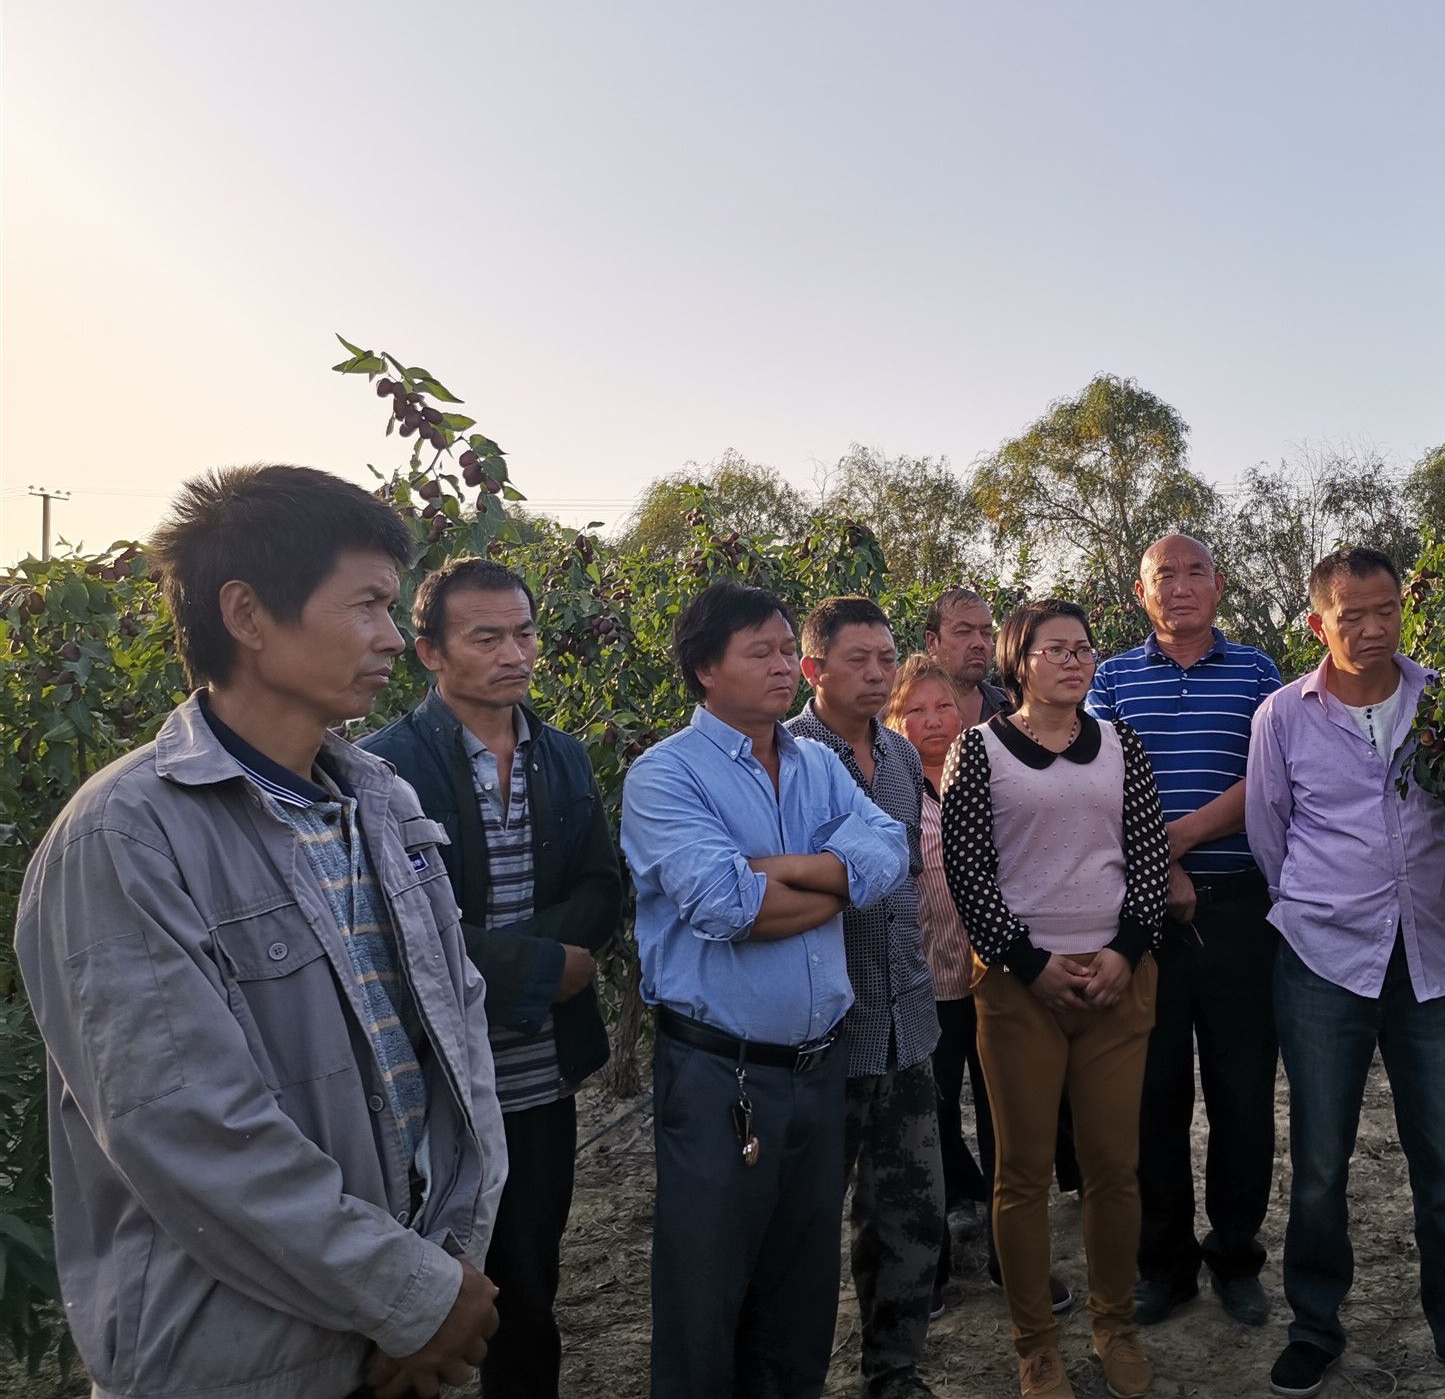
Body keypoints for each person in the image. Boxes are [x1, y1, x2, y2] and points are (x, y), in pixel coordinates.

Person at [14, 464, 506, 1399]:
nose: (394, 638)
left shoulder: (382, 804)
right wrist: (409, 1296)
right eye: (366, 605)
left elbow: (458, 1045)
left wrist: (441, 1278)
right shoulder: (127, 833)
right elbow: (187, 1126)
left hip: (410, 1343)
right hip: (243, 1359)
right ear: (246, 615)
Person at [1246, 548, 1445, 1399]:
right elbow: (1272, 834)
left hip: (1428, 957)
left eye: (1388, 611)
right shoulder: (1282, 716)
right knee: (1318, 1163)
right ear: (1319, 624)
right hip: (1321, 960)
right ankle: (1315, 1325)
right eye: (1355, 616)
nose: (1376, 629)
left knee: (1443, 1167)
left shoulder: (1443, 704)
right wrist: (1325, 905)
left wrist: (1409, 893)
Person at [621, 580, 910, 1399]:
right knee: (706, 1289)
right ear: (707, 668)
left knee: (800, 1287)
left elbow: (888, 851)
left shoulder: (817, 761)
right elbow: (722, 906)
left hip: (817, 1071)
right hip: (722, 1076)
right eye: (763, 652)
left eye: (789, 649)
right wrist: (838, 880)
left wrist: (775, 872)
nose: (786, 666)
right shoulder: (665, 776)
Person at [361, 557, 624, 1398]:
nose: (515, 653)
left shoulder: (563, 757)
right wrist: (543, 965)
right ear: (430, 651)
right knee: (415, 1308)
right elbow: (393, 930)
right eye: (487, 637)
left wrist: (521, 958)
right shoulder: (382, 770)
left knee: (530, 1292)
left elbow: (601, 886)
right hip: (434, 1087)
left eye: (525, 632)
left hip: (539, 1077)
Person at [941, 599, 1169, 1399]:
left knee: (1114, 1167)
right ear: (1019, 660)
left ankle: (1114, 1325)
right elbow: (968, 869)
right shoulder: (979, 750)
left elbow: (1146, 859)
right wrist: (1028, 962)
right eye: (1056, 649)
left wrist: (1126, 953)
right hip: (1017, 988)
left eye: (1084, 648)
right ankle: (1036, 1346)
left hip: (1115, 979)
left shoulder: (1120, 745)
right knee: (1023, 1173)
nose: (1075, 661)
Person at [1085, 533, 1285, 1329]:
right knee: (1151, 1096)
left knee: (1242, 1093)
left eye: (1194, 572)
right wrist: (1157, 866)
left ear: (1219, 585)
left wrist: (1182, 837)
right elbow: (1101, 780)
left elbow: (1270, 777)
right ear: (1141, 593)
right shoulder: (1110, 678)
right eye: (1162, 576)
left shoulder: (1257, 673)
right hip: (1141, 919)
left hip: (1240, 908)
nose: (1178, 587)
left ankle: (1236, 1255)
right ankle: (1163, 1264)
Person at [786, 597, 947, 1399]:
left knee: (909, 1212)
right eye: (860, 660)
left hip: (905, 1020)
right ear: (814, 670)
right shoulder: (786, 757)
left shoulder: (901, 756)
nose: (879, 673)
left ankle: (895, 1373)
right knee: (809, 1224)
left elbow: (909, 883)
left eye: (887, 657)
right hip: (826, 1029)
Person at [888, 655, 1077, 1317]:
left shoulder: (991, 774)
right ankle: (930, 1263)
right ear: (894, 721)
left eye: (944, 707)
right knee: (928, 1126)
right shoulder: (887, 790)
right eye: (916, 709)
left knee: (1010, 1123)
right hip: (923, 986)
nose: (934, 720)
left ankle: (1012, 1260)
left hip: (1001, 978)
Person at [925, 586, 1011, 729]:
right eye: (963, 632)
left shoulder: (1013, 709)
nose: (979, 643)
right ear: (932, 642)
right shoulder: (897, 710)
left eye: (986, 633)